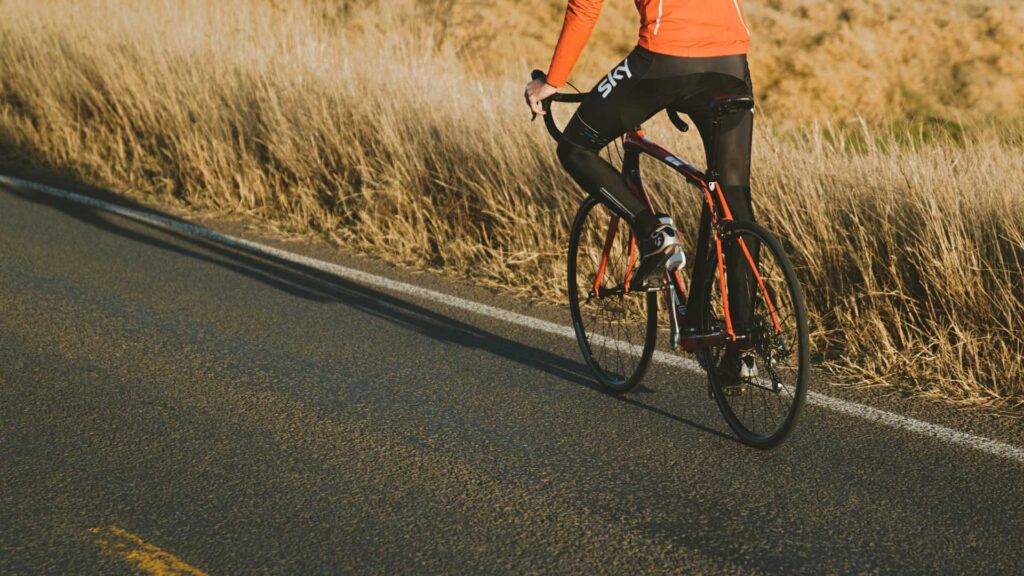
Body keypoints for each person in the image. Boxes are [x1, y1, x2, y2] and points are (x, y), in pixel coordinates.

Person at [524, 0, 758, 394]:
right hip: (731, 59)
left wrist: (553, 80)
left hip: (664, 58)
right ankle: (743, 346)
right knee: (732, 199)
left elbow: (584, 7)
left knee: (575, 147)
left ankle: (653, 233)